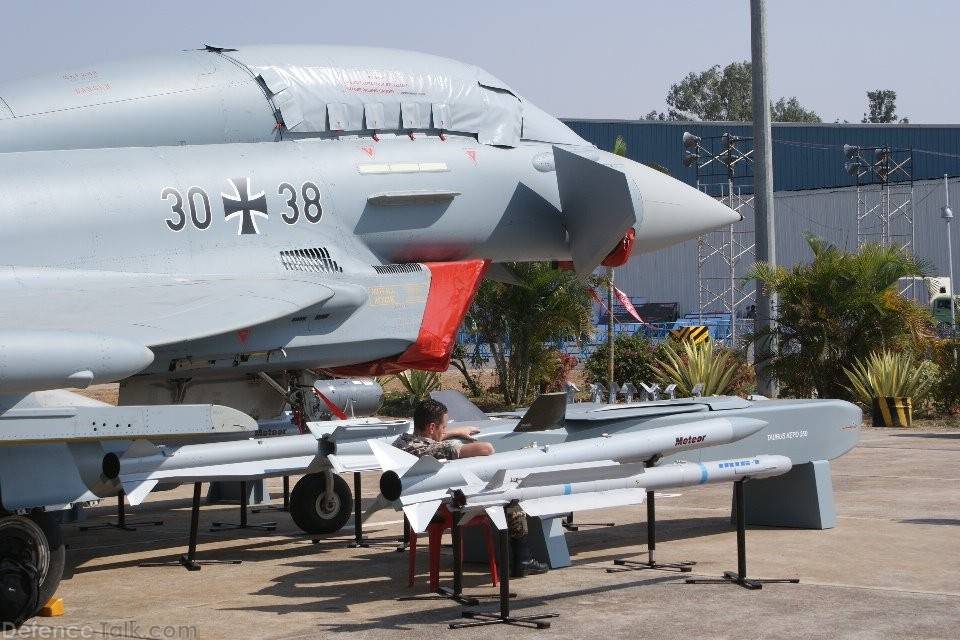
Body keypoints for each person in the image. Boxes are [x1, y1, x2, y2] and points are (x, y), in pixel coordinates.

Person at [393, 398, 549, 577]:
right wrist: (453, 441)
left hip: (418, 504)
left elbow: (427, 440)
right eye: (443, 427)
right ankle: (523, 558)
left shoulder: (400, 443)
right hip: (443, 507)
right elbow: (486, 449)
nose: (445, 431)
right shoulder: (437, 450)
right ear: (432, 427)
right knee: (510, 497)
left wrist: (454, 431)